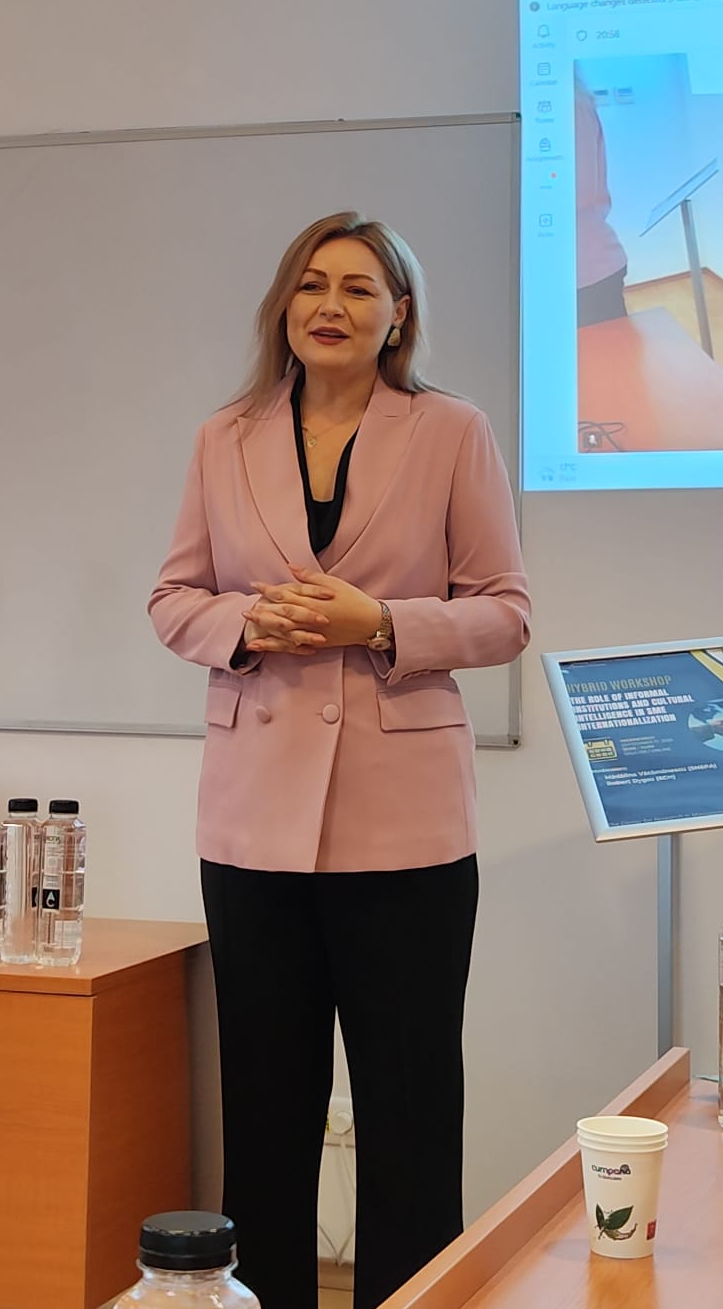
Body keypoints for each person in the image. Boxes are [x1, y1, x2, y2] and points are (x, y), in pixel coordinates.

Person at [150, 212, 530, 1309]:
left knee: (410, 1114)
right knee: (265, 1111)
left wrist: (385, 620)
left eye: (360, 288)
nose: (332, 305)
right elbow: (172, 597)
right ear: (283, 306)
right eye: (312, 284)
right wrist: (242, 623)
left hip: (405, 827)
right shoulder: (223, 436)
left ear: (398, 315)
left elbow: (505, 613)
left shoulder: (452, 431)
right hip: (253, 823)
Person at [575, 74, 629, 326]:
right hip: (591, 267)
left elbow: (579, 191)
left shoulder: (572, 105)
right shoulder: (578, 102)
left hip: (588, 272)